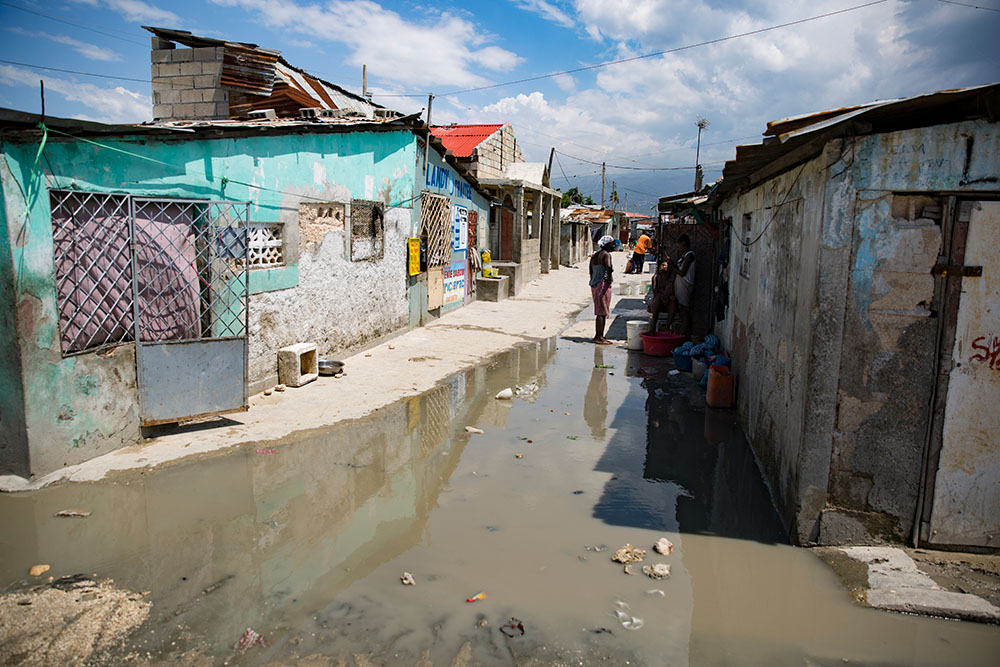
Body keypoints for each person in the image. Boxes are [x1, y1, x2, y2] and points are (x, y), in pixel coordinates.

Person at [589, 235, 615, 345]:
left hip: (595, 284)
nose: (614, 246)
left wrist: (594, 280)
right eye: (612, 244)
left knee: (600, 310)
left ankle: (598, 335)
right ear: (607, 245)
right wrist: (608, 279)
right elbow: (608, 267)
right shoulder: (606, 255)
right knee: (602, 312)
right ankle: (600, 337)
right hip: (602, 284)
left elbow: (590, 270)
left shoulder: (595, 256)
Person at [671, 234, 696, 339]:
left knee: (684, 309)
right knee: (681, 309)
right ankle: (684, 334)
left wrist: (672, 267)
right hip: (681, 284)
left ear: (684, 244)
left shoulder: (690, 255)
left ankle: (684, 335)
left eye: (680, 246)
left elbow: (682, 273)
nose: (679, 248)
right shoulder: (684, 255)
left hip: (685, 284)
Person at [648, 260, 675, 332]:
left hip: (668, 301)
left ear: (669, 268)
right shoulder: (656, 278)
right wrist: (662, 297)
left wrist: (668, 297)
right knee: (658, 300)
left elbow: (673, 291)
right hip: (659, 301)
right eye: (660, 266)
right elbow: (655, 292)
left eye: (664, 265)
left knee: (673, 302)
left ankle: (667, 327)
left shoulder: (673, 278)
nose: (661, 267)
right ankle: (653, 327)